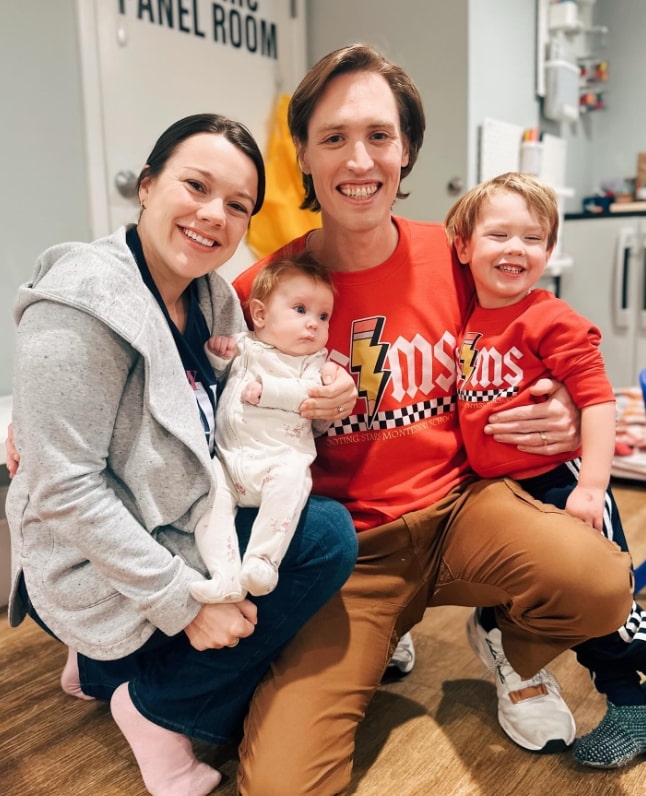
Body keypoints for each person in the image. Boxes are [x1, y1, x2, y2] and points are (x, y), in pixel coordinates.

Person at [228, 44, 634, 795]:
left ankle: (509, 643)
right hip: (346, 553)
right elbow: (185, 373)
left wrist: (572, 408)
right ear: (303, 157)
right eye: (335, 137)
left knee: (601, 583)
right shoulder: (262, 287)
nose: (360, 158)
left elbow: (542, 336)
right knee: (282, 785)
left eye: (380, 135)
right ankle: (389, 636)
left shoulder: (456, 256)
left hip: (462, 513)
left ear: (407, 148)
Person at [5, 113, 358, 796]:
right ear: (146, 186)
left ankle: (98, 666)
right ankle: (154, 711)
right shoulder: (81, 305)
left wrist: (332, 381)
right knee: (321, 541)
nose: (212, 215)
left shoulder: (214, 299)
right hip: (95, 560)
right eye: (196, 186)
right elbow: (64, 489)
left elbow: (258, 376)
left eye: (236, 205)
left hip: (171, 519)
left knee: (300, 529)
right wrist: (186, 605)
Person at [445, 171, 646, 768]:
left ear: (549, 251)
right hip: (501, 491)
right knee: (536, 584)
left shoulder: (549, 318)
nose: (515, 249)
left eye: (533, 238)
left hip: (562, 482)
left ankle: (630, 699)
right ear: (464, 247)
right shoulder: (466, 321)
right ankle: (499, 626)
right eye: (499, 234)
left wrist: (591, 487)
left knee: (603, 602)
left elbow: (598, 399)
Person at [191, 251, 335, 603]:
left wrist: (270, 392)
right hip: (228, 463)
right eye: (300, 310)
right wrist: (218, 357)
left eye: (323, 315)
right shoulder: (244, 346)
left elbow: (313, 399)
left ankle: (262, 560)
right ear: (259, 314)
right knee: (208, 506)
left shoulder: (315, 364)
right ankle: (224, 576)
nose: (313, 323)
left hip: (277, 462)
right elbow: (214, 383)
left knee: (291, 486)